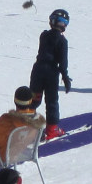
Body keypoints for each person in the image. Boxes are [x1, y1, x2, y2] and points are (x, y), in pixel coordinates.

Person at [30, 9, 72, 141]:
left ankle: (27, 126)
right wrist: (65, 76)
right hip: (51, 72)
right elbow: (63, 62)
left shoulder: (44, 35)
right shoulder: (62, 41)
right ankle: (52, 129)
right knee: (52, 101)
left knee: (34, 98)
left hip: (38, 69)